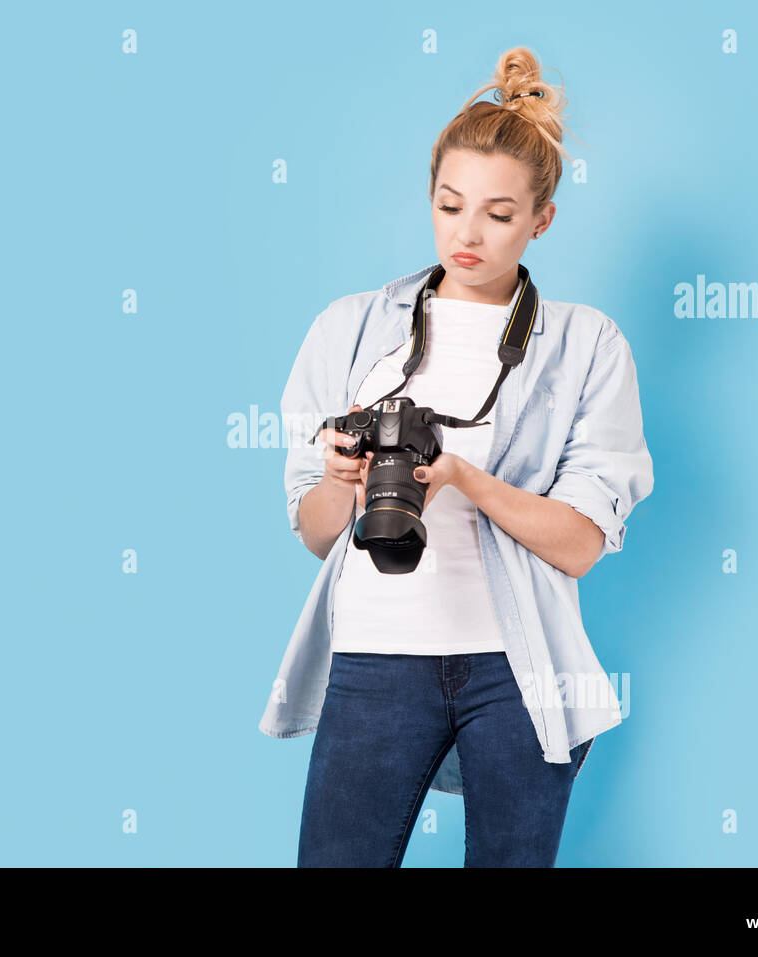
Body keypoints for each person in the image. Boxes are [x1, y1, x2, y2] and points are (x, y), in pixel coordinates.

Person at [261, 46, 655, 867]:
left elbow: (581, 543)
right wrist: (341, 479)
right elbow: (314, 531)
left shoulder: (588, 345)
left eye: (499, 214)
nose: (467, 233)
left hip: (520, 671)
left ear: (542, 219)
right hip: (375, 657)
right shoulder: (350, 328)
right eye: (449, 205)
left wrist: (467, 479)